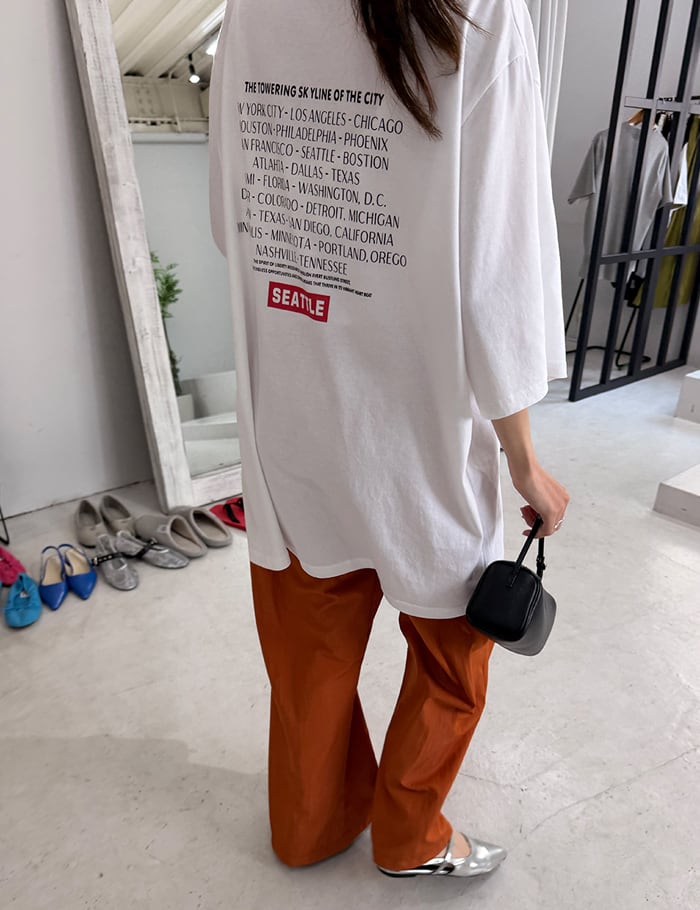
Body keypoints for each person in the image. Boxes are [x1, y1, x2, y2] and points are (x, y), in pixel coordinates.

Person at [209, 0, 570, 879]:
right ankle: (411, 837)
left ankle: (309, 827)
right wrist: (523, 459)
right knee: (452, 645)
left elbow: (231, 217)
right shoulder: (481, 11)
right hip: (418, 420)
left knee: (307, 645)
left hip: (292, 397)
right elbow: (497, 271)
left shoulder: (251, 8)